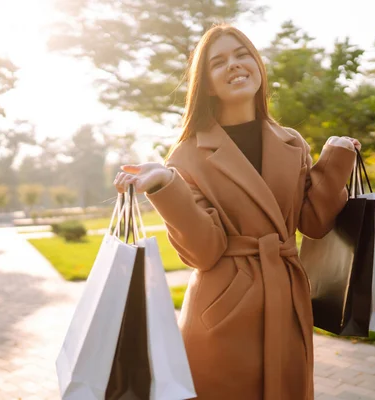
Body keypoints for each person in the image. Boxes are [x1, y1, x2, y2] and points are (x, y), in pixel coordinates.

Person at [114, 23, 360, 400]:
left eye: (242, 54)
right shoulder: (186, 155)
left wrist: (336, 159)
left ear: (258, 66)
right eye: (219, 62)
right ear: (208, 84)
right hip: (223, 314)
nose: (234, 65)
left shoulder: (291, 142)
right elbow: (204, 252)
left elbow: (313, 224)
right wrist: (167, 185)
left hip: (288, 303)